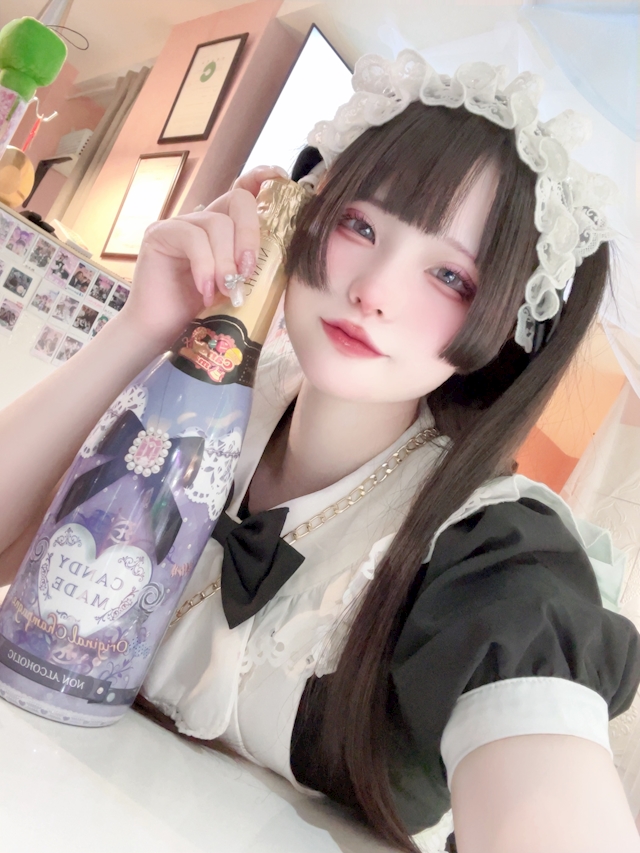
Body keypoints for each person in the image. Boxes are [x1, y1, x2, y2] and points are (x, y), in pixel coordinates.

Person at [0, 53, 639, 853]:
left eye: (450, 275)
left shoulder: (492, 550)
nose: (375, 289)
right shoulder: (200, 396)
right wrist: (145, 326)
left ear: (504, 326)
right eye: (360, 225)